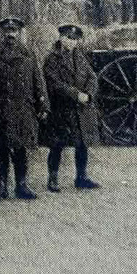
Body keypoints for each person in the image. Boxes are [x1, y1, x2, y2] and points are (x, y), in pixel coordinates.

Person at [0, 17, 48, 201]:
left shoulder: (28, 54)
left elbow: (38, 81)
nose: (10, 34)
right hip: (0, 109)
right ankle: (1, 187)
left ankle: (21, 186)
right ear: (2, 33)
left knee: (21, 149)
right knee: (2, 150)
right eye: (7, 31)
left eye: (14, 31)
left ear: (19, 33)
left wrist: (43, 104)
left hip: (22, 109)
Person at [43, 24, 100, 191]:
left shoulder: (79, 56)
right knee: (57, 145)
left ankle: (81, 177)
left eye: (75, 39)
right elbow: (54, 83)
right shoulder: (52, 59)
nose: (72, 42)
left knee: (82, 144)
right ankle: (52, 179)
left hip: (80, 109)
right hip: (62, 109)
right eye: (69, 38)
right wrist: (76, 94)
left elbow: (92, 77)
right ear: (61, 38)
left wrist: (89, 94)